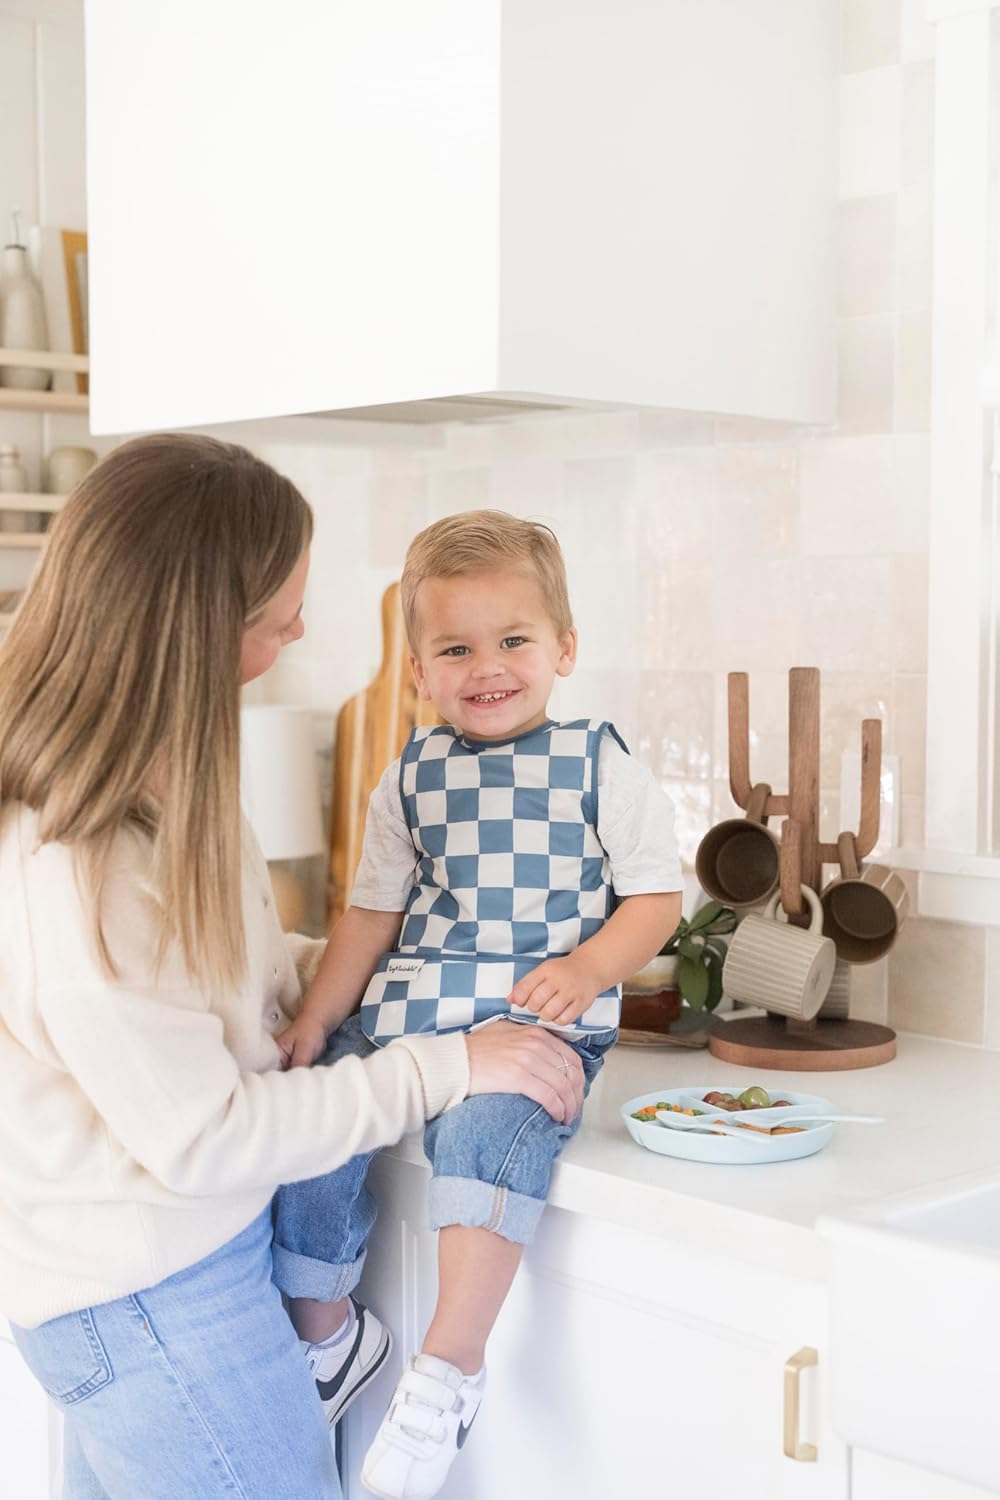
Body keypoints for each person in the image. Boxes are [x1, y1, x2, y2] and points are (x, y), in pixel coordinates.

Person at [0, 440, 585, 1500]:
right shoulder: (73, 870)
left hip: (168, 1284)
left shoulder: (168, 780)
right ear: (196, 625)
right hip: (152, 1310)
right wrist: (442, 1066)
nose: (301, 630)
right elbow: (209, 1137)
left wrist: (438, 975)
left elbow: (244, 976)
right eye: (278, 615)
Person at [277, 509, 684, 1500]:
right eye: (455, 647)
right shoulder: (410, 776)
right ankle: (325, 1337)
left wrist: (588, 969)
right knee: (316, 1119)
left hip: (535, 1021)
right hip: (411, 1014)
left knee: (481, 1142)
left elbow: (656, 902)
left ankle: (446, 1372)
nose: (486, 667)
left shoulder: (597, 764)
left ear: (564, 649)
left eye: (513, 641)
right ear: (418, 669)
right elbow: (369, 919)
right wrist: (318, 1022)